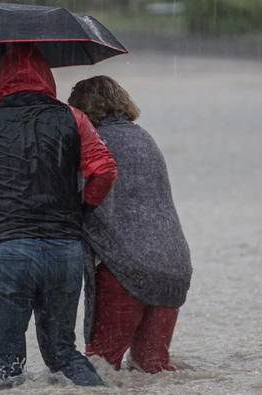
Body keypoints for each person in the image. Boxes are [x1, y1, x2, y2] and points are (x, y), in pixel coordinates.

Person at [0, 45, 117, 388]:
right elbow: (104, 170)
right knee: (64, 356)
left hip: (7, 251)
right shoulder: (73, 116)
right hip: (64, 250)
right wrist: (82, 207)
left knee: (5, 367)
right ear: (47, 75)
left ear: (0, 75)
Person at [68, 75, 192, 373]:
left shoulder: (94, 143)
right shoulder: (144, 137)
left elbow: (77, 200)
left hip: (127, 270)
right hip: (174, 267)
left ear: (81, 111)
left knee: (101, 371)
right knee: (152, 369)